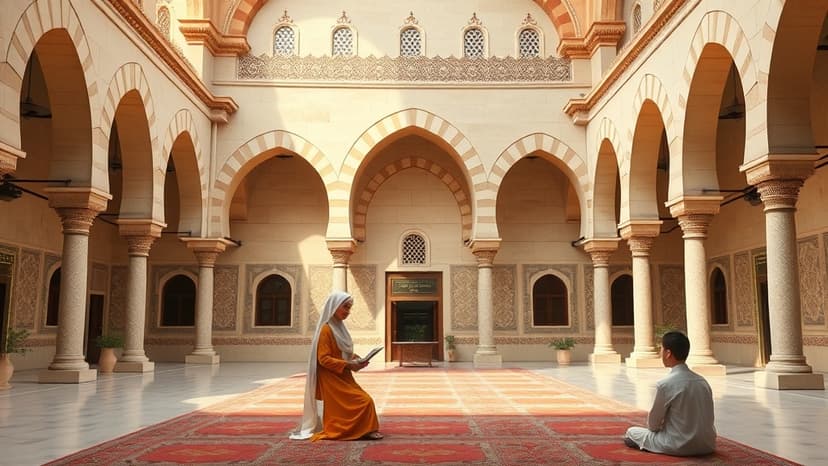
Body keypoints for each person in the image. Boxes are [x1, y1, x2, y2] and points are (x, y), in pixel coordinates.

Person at [289, 290, 383, 441]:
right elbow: (324, 359)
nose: (348, 312)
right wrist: (348, 364)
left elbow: (340, 351)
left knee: (358, 402)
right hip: (331, 377)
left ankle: (364, 429)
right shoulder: (326, 330)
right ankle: (342, 430)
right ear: (334, 306)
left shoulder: (338, 328)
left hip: (343, 375)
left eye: (349, 308)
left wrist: (355, 358)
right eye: (345, 307)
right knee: (363, 401)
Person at [624, 331, 716, 456]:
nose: (660, 353)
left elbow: (653, 425)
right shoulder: (703, 382)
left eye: (661, 349)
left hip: (678, 445)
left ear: (668, 353)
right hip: (708, 445)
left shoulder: (665, 384)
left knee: (631, 432)